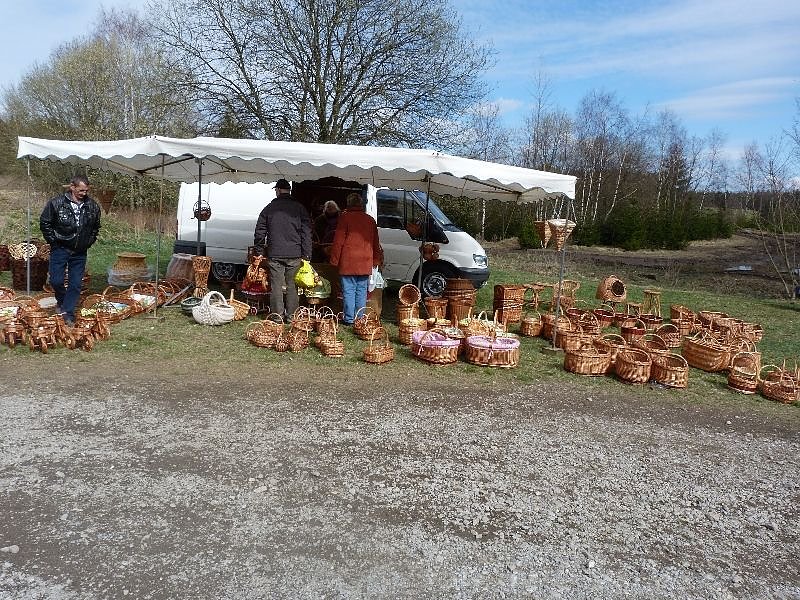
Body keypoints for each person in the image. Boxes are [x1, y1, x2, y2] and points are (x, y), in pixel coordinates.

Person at [39, 175, 102, 325]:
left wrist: (88, 242)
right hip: (60, 248)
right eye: (81, 190)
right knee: (56, 281)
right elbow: (45, 222)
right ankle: (61, 301)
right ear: (72, 187)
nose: (84, 193)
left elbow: (95, 227)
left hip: (80, 251)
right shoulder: (56, 203)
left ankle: (68, 312)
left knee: (75, 284)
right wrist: (53, 241)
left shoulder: (93, 206)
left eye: (86, 190)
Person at [253, 179, 311, 321]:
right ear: (289, 190)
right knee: (292, 286)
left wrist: (259, 251)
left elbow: (260, 232)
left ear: (278, 190)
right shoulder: (299, 208)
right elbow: (306, 232)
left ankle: (277, 316)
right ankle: (292, 316)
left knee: (276, 286)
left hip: (275, 253)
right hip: (295, 253)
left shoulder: (269, 209)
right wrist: (307, 254)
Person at [329, 192, 383, 325]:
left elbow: (338, 241)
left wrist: (334, 260)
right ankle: (359, 318)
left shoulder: (345, 218)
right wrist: (376, 260)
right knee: (361, 291)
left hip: (349, 261)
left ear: (349, 203)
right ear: (361, 204)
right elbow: (375, 242)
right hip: (365, 261)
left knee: (348, 290)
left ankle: (348, 319)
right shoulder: (370, 220)